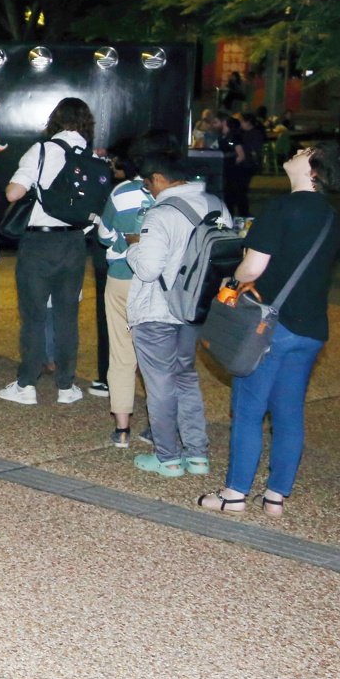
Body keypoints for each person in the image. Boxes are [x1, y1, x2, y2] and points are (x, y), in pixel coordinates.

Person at [200, 143, 340, 514]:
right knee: (289, 412)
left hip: (271, 328)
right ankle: (276, 496)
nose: (298, 150)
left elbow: (252, 269)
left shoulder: (281, 208)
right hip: (311, 329)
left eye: (307, 150)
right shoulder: (332, 217)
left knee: (249, 409)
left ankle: (234, 495)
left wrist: (230, 283)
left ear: (313, 170)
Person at [124, 153, 228, 477]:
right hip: (195, 308)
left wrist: (133, 247)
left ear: (157, 178)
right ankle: (197, 455)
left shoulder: (161, 214)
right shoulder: (216, 205)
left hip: (157, 310)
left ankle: (167, 457)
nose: (148, 190)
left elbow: (148, 267)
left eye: (147, 184)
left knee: (160, 384)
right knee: (186, 377)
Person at [0, 98, 97, 406]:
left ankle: (27, 384)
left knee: (33, 315)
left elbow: (13, 193)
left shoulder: (41, 151)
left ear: (54, 120)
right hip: (75, 244)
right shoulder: (90, 156)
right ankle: (66, 386)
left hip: (39, 244)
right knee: (68, 315)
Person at [93, 134, 174, 447]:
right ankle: (158, 426)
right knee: (158, 357)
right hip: (161, 285)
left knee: (122, 353)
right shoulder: (176, 194)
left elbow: (104, 235)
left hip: (122, 278)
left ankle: (122, 428)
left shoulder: (121, 192)